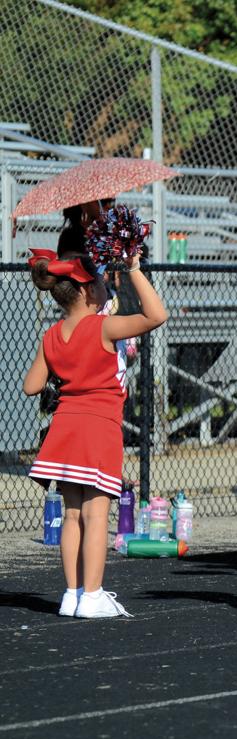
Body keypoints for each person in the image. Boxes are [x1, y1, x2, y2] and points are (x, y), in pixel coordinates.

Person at [24, 247, 167, 618]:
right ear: (89, 292)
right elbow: (157, 315)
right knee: (96, 514)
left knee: (72, 514)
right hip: (99, 427)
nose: (106, 287)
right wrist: (134, 269)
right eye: (102, 282)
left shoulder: (51, 334)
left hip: (65, 428)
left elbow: (31, 385)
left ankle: (71, 594)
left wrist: (66, 374)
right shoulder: (103, 326)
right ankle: (93, 595)